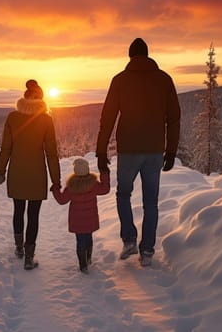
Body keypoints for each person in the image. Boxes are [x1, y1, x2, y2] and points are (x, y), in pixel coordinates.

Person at [96, 37, 181, 267]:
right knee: (150, 202)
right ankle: (148, 251)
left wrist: (101, 152)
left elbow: (108, 118)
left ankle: (130, 239)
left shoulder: (120, 80)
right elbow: (174, 118)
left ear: (130, 56)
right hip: (154, 150)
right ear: (147, 54)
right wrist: (171, 151)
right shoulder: (164, 80)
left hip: (129, 150)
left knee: (123, 194)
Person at [0, 79, 61, 270]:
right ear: (41, 99)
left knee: (18, 210)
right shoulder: (46, 120)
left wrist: (0, 171)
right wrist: (55, 180)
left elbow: (5, 148)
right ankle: (29, 257)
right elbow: (51, 153)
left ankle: (18, 247)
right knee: (33, 215)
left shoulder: (12, 118)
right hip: (37, 175)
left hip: (16, 172)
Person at [51, 158, 110, 274]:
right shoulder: (94, 185)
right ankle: (88, 258)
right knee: (88, 238)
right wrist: (104, 174)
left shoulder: (71, 187)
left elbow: (62, 200)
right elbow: (105, 189)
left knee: (80, 240)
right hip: (90, 219)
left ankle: (82, 264)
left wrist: (55, 189)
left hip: (77, 221)